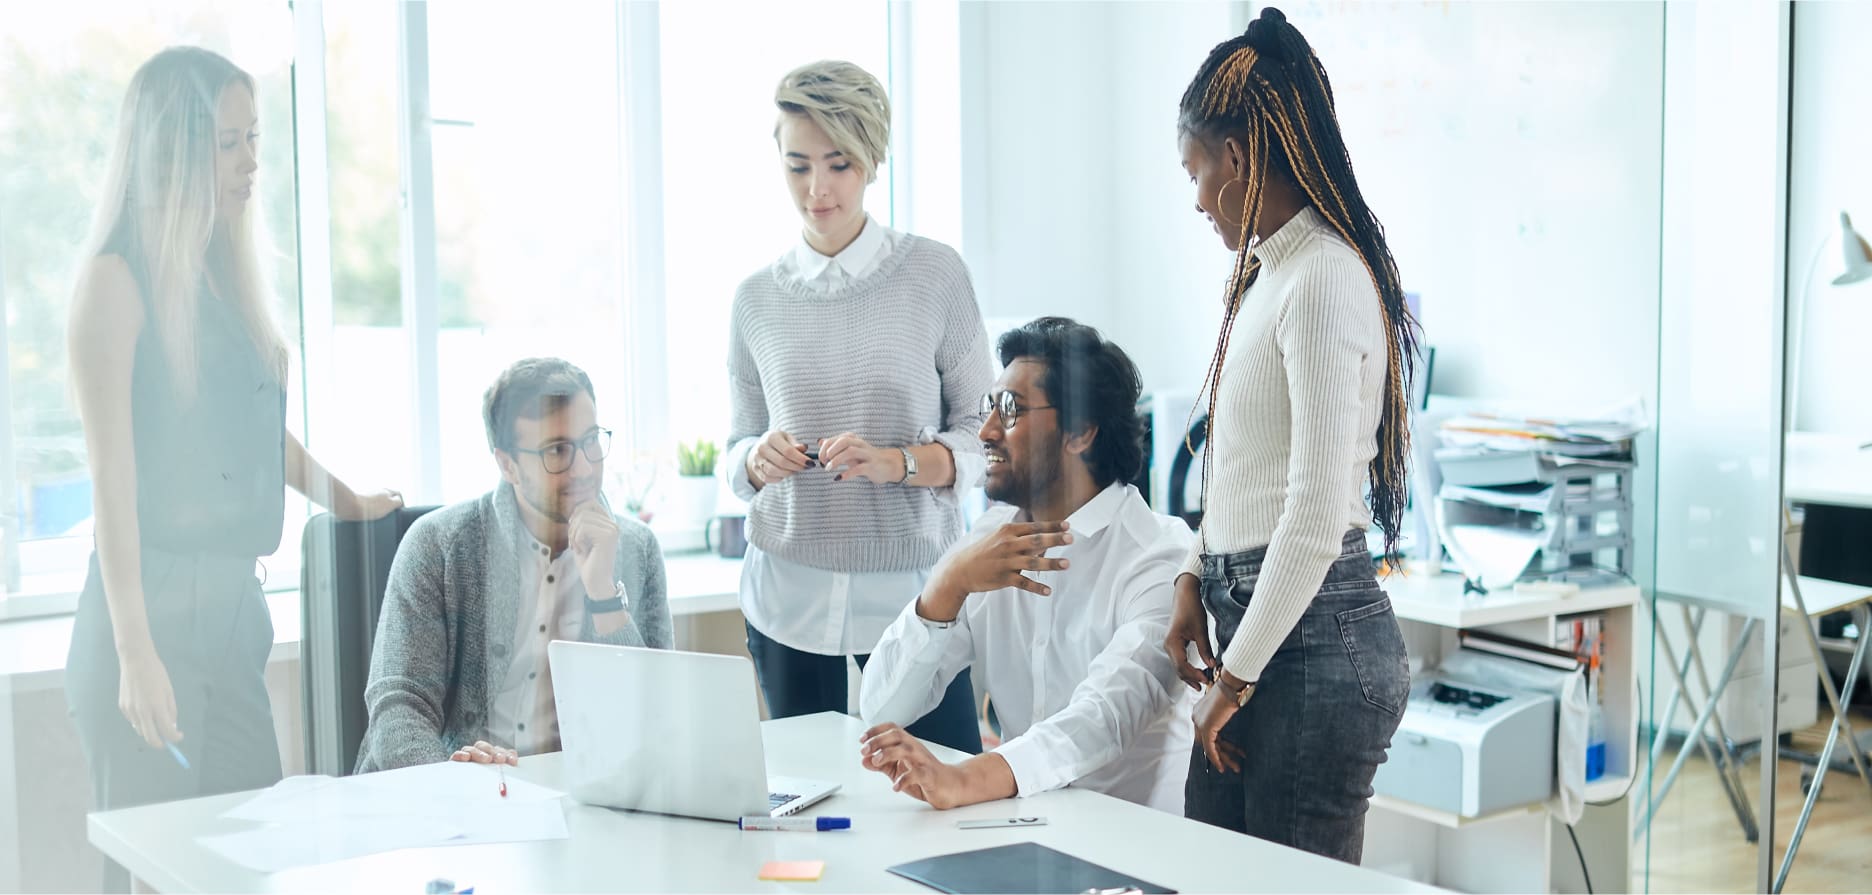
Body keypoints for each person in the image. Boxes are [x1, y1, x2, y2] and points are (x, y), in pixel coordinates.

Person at [64, 46, 402, 890]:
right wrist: (138, 653)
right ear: (172, 150)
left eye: (253, 138)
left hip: (231, 616)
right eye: (228, 142)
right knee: (152, 874)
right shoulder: (114, 283)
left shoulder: (221, 277)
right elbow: (113, 481)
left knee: (253, 866)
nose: (253, 160)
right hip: (149, 622)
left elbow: (254, 434)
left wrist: (348, 497)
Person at [1161, 7, 1418, 863]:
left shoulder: (1324, 279)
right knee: (1213, 872)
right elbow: (1244, 468)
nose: (1196, 198)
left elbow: (1312, 509)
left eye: (1196, 170)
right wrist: (1196, 576)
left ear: (1237, 157)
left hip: (1315, 641)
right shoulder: (1265, 277)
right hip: (1263, 622)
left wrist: (1235, 677)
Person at [724, 60, 992, 754]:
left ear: (873, 159)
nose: (817, 190)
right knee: (805, 810)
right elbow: (734, 453)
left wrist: (898, 462)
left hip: (915, 598)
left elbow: (984, 439)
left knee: (942, 795)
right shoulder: (755, 299)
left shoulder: (936, 275)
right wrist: (754, 460)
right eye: (798, 165)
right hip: (786, 595)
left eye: (839, 164)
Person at [858, 318, 1195, 813]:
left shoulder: (1159, 554)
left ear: (1080, 433)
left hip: (1132, 853)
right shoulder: (987, 542)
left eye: (1011, 410)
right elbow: (882, 710)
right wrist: (945, 587)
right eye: (989, 407)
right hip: (1020, 832)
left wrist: (966, 779)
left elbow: (1104, 716)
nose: (987, 430)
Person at [354, 358, 672, 772]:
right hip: (457, 790)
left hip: (583, 794)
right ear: (507, 465)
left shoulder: (638, 548)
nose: (584, 468)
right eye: (557, 450)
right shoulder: (439, 544)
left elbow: (658, 715)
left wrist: (602, 592)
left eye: (591, 440)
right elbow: (398, 710)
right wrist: (451, 782)